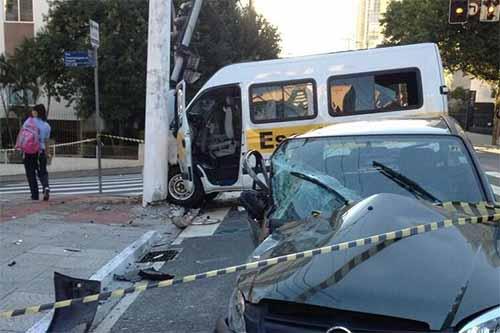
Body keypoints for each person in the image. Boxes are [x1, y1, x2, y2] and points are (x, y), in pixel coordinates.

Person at [22, 104, 51, 201]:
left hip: (29, 151)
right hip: (41, 151)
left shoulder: (29, 122)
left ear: (36, 112)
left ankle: (34, 195)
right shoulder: (47, 125)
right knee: (42, 172)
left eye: (33, 111)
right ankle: (46, 187)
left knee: (30, 173)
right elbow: (47, 142)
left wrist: (20, 148)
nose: (32, 112)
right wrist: (47, 153)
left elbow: (23, 136)